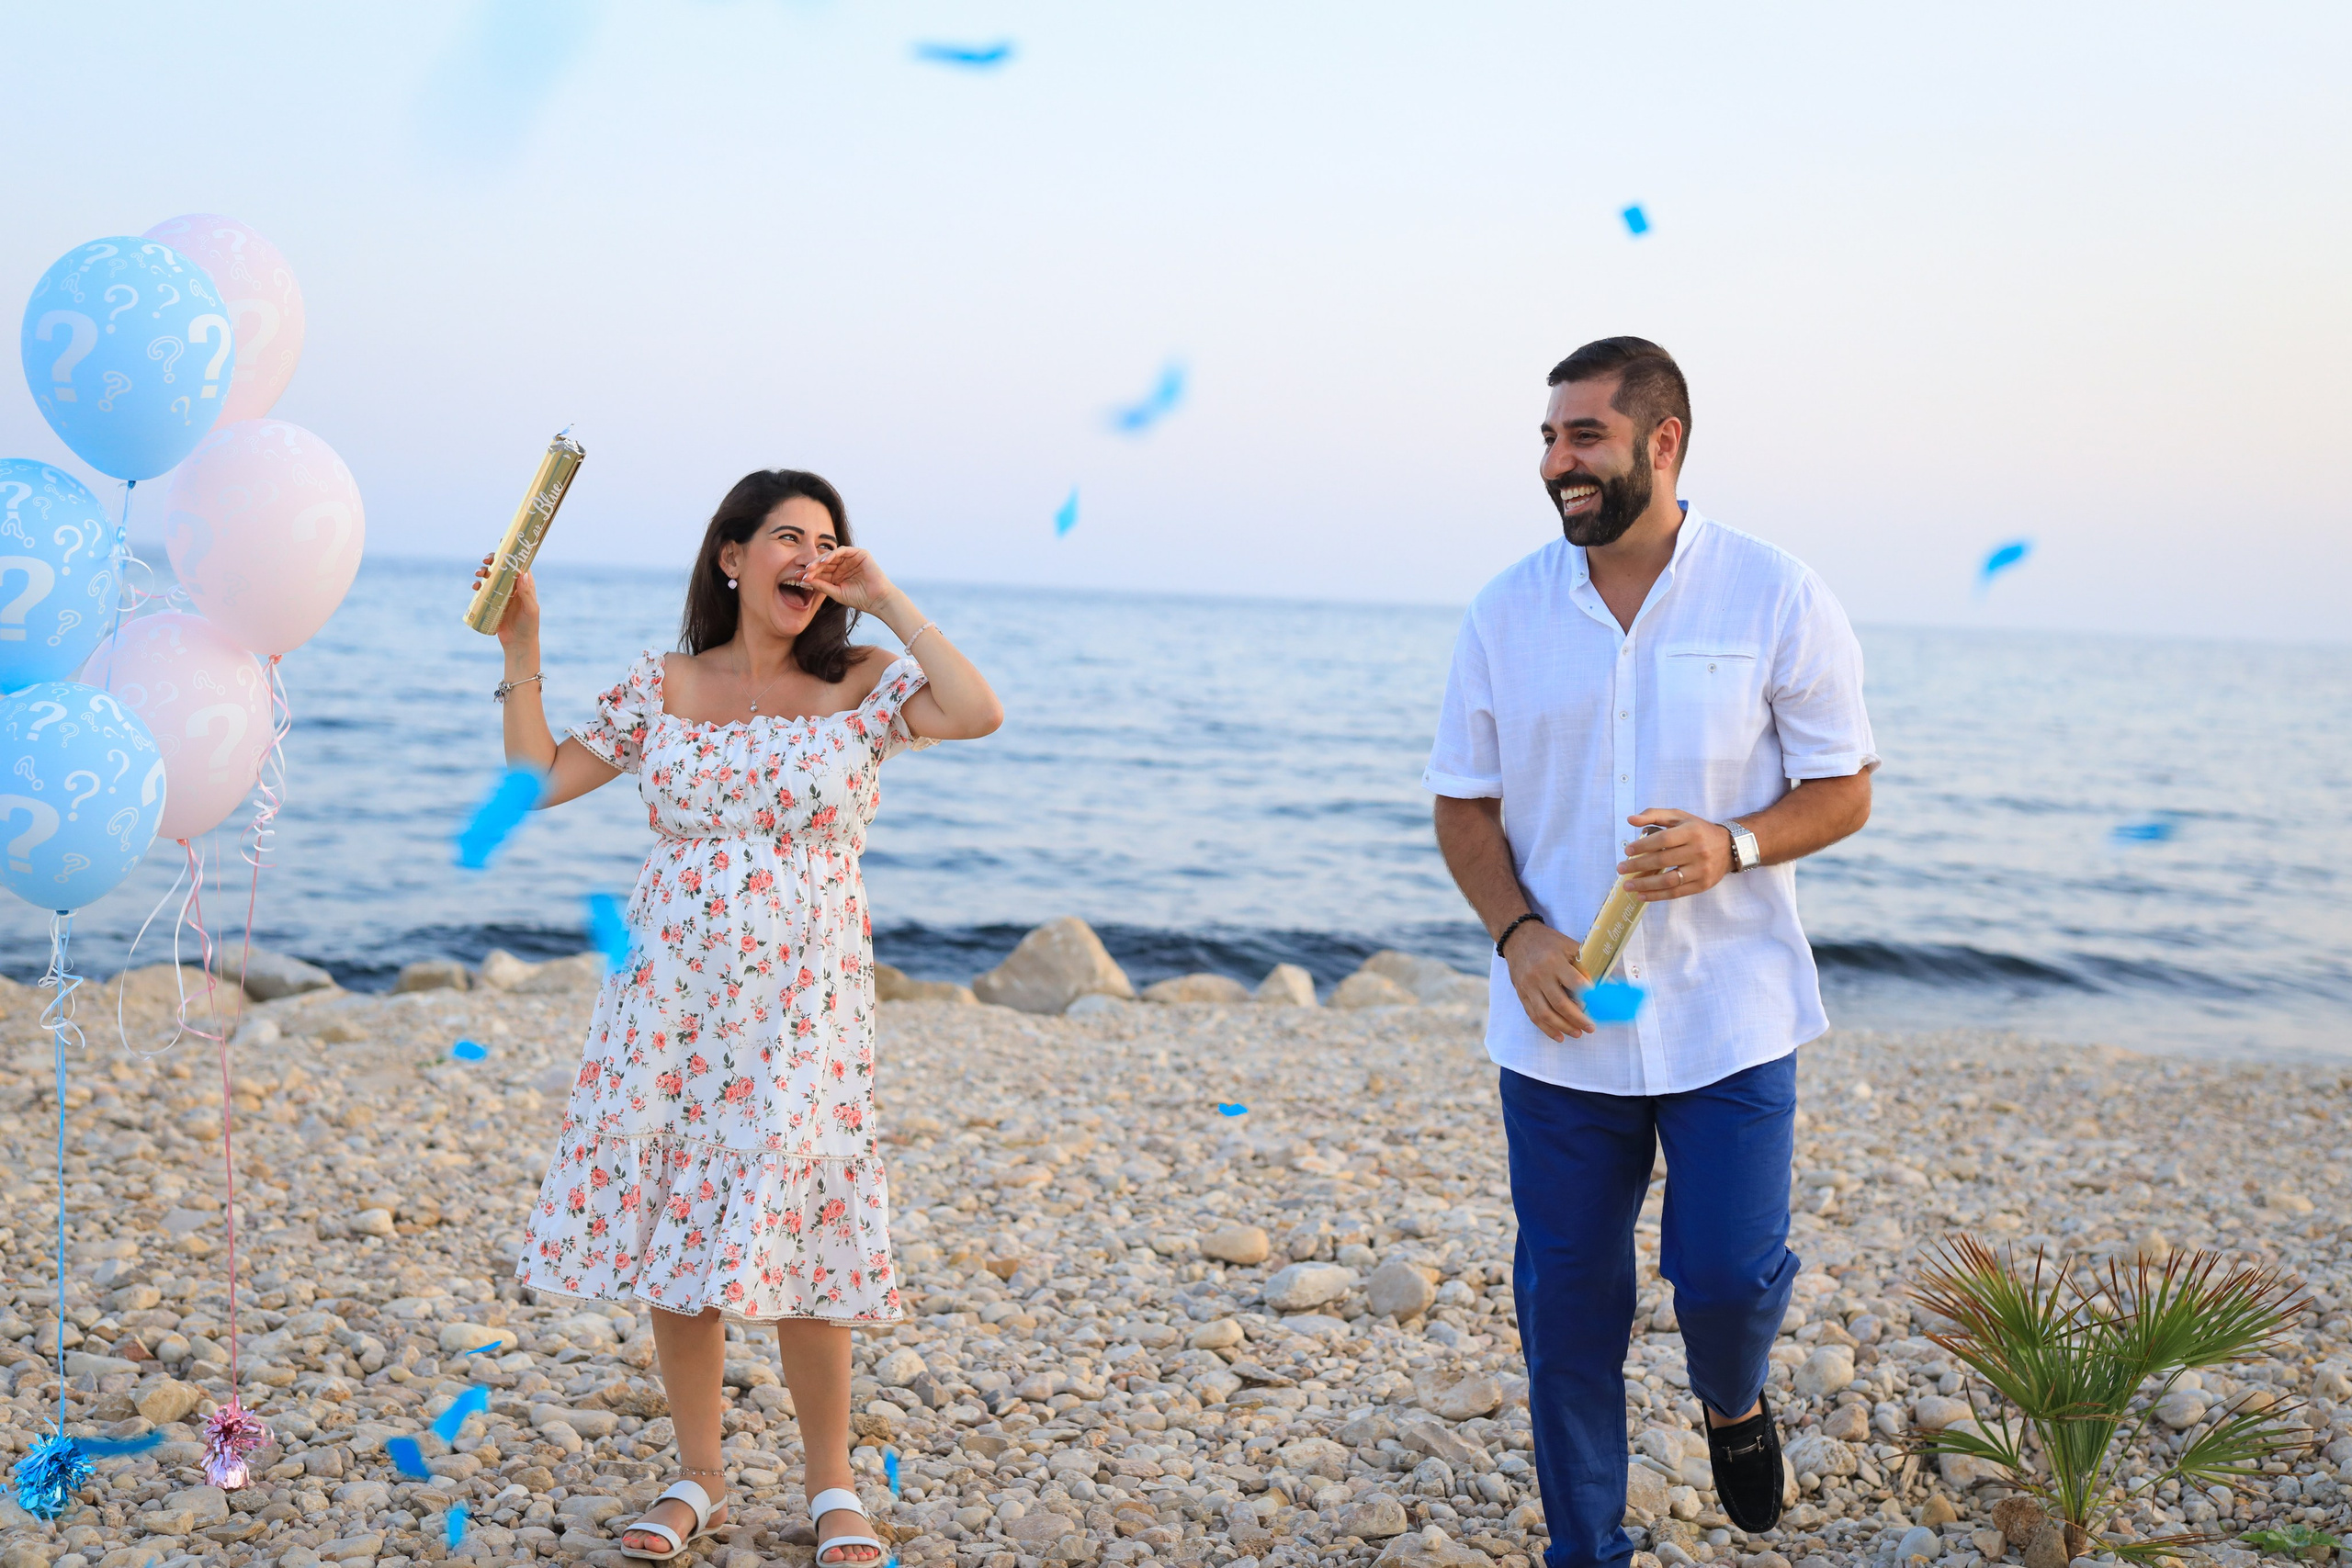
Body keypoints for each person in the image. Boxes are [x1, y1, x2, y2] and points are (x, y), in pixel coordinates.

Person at [477, 468, 1003, 1563]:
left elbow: (976, 711)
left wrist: (889, 596)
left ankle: (831, 1487)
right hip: (668, 996)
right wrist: (521, 645)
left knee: (804, 1223)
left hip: (802, 1003)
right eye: (785, 537)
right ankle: (696, 1477)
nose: (808, 555)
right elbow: (532, 779)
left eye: (827, 541)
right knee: (680, 1218)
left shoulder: (864, 679)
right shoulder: (664, 683)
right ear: (731, 556)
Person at [1423, 339, 1876, 1568]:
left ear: (1661, 443)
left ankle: (1734, 1398)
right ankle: (1589, 1548)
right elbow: (1461, 804)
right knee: (1568, 1313)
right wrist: (1518, 932)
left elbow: (1845, 789)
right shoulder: (1506, 608)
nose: (1555, 462)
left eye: (1583, 438)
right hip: (1564, 1021)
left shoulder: (1775, 592)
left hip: (1728, 1009)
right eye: (1548, 438)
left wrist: (1733, 842)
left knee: (1724, 1276)